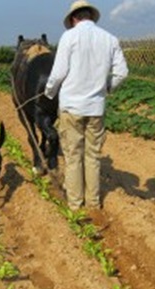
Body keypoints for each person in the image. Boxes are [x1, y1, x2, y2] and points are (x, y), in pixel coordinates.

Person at [44, 0, 128, 212]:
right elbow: (122, 72)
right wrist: (106, 88)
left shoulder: (69, 37)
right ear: (91, 16)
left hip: (72, 107)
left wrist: (49, 93)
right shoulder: (110, 39)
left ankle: (75, 204)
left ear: (73, 19)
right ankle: (93, 203)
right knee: (92, 157)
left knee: (73, 157)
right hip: (96, 109)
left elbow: (59, 73)